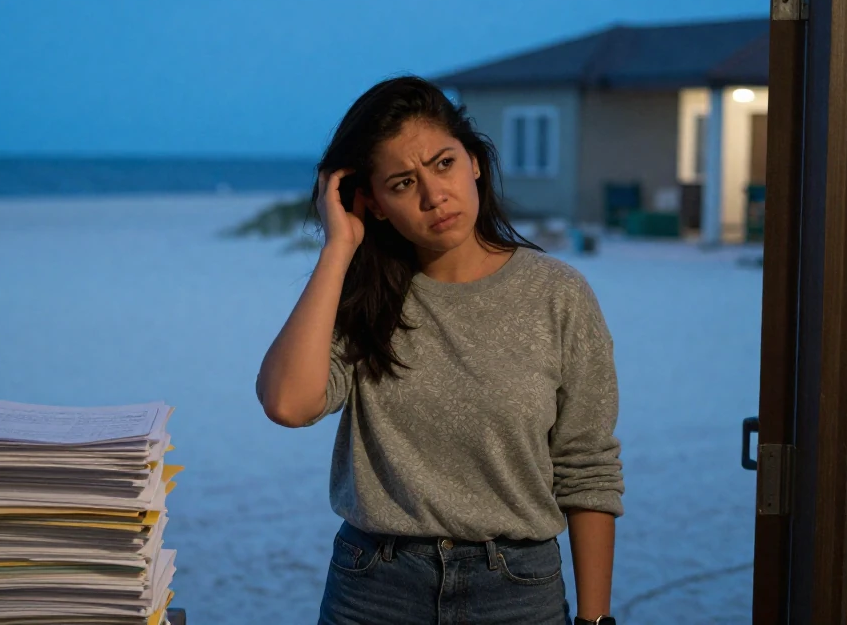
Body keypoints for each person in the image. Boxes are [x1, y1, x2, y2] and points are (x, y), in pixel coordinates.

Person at [255, 75, 623, 625]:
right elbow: (288, 403)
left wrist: (596, 622)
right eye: (402, 184)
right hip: (375, 586)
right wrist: (338, 249)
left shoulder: (558, 294)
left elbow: (586, 465)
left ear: (474, 162)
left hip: (518, 590)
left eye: (443, 164)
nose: (434, 196)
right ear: (374, 204)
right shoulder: (363, 299)